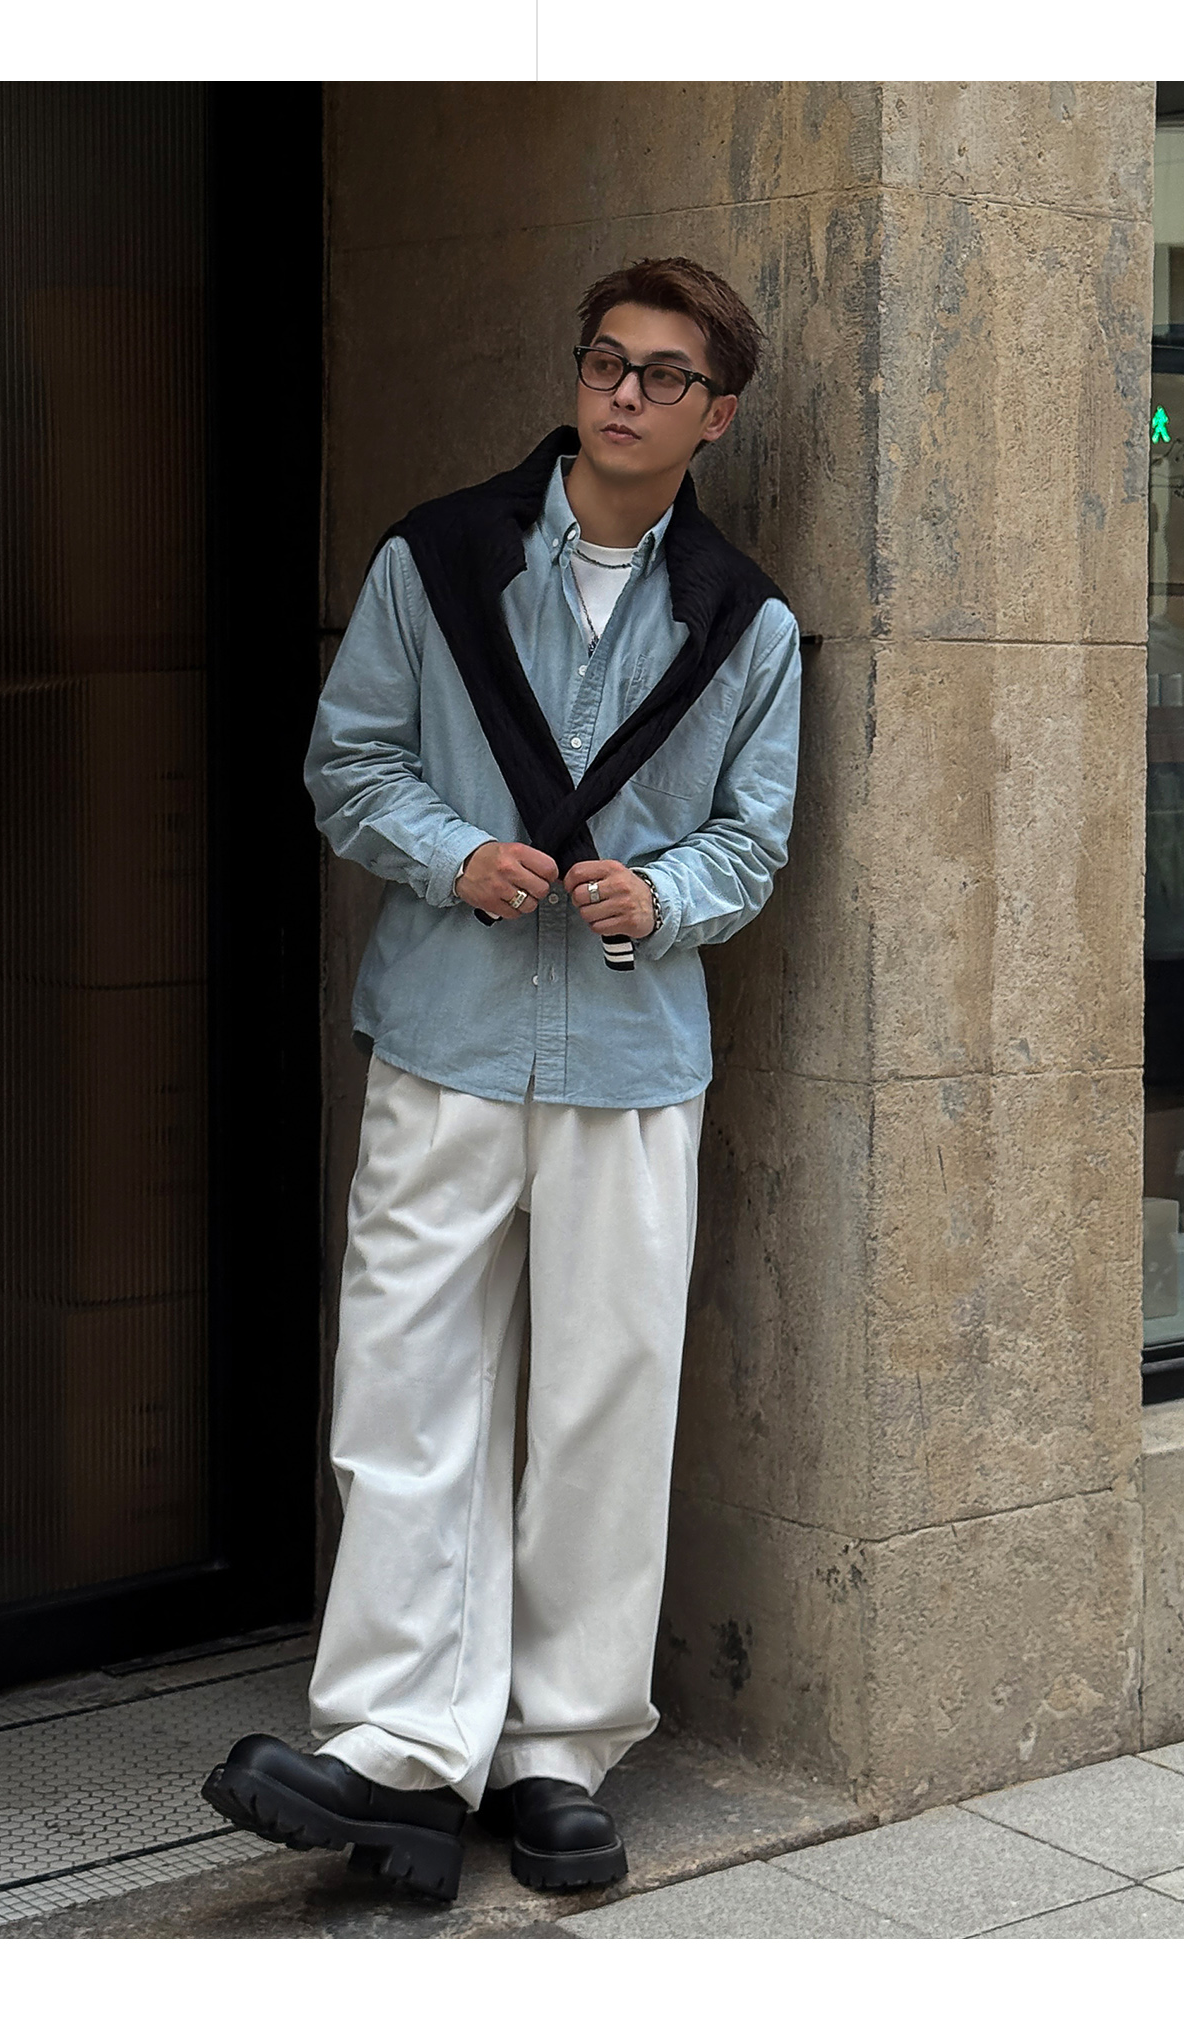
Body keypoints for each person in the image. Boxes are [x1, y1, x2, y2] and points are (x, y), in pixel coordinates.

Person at [203, 257, 803, 1903]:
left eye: (664, 376)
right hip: (447, 1037)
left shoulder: (746, 621)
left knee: (606, 1401)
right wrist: (454, 853)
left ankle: (558, 1752)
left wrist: (660, 896)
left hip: (630, 1059)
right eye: (606, 361)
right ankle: (401, 1752)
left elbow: (753, 838)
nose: (624, 394)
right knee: (405, 1382)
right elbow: (350, 761)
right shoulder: (440, 557)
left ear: (717, 416)